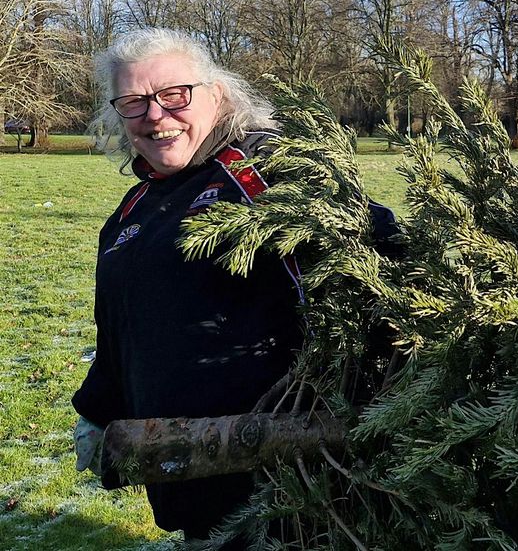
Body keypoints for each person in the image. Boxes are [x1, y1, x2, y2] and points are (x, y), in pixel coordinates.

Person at [70, 28, 398, 548]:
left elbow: (378, 256)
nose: (156, 116)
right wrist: (97, 409)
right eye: (134, 102)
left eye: (174, 95)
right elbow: (122, 325)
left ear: (216, 94)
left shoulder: (264, 171)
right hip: (188, 479)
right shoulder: (135, 205)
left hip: (286, 493)